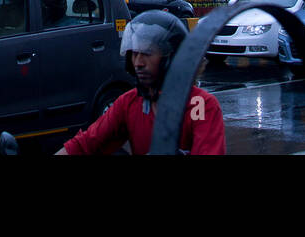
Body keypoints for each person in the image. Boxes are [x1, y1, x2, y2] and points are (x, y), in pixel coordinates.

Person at [57, 10, 225, 155]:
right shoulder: (129, 103)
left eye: (147, 53)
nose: (138, 63)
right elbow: (83, 145)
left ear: (172, 59)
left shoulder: (201, 106)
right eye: (135, 54)